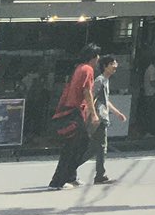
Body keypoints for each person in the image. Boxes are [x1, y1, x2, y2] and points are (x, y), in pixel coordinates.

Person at [47, 45, 102, 189]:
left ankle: (70, 177)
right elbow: (87, 92)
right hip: (75, 112)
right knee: (77, 147)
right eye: (97, 56)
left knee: (73, 145)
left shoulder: (79, 68)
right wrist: (94, 114)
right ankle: (59, 180)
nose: (98, 59)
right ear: (93, 57)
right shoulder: (88, 69)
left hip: (71, 110)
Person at [91, 56, 127, 184]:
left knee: (96, 147)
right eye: (112, 63)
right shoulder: (100, 80)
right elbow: (91, 97)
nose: (115, 65)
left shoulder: (105, 80)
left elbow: (106, 101)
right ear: (105, 66)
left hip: (102, 117)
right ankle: (99, 175)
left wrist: (117, 113)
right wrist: (93, 114)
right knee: (100, 147)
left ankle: (98, 174)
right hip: (99, 118)